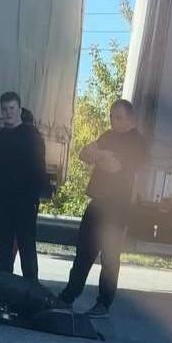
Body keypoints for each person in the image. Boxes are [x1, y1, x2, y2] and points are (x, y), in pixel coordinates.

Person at [58, 99, 148, 318]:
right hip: (97, 203)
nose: (113, 121)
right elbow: (83, 153)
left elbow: (115, 167)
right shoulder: (108, 136)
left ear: (130, 119)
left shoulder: (137, 143)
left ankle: (103, 303)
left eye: (119, 117)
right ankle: (68, 296)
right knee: (83, 253)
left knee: (109, 258)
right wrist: (103, 155)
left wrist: (99, 155)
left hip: (117, 208)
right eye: (111, 117)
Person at [0, 92, 46, 280]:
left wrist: (35, 196)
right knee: (3, 252)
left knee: (27, 249)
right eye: (4, 109)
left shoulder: (31, 136)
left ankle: (32, 288)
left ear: (19, 109)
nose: (8, 113)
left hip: (24, 203)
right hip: (1, 204)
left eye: (12, 108)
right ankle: (5, 288)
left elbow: (38, 168)